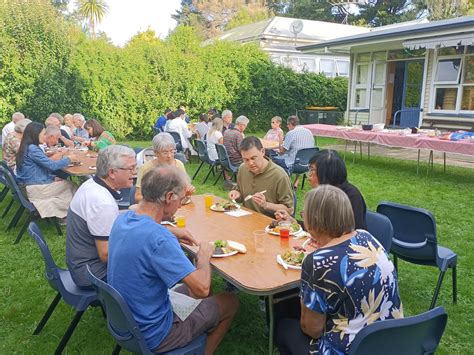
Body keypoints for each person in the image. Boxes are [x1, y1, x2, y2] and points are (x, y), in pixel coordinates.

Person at [108, 165, 239, 353]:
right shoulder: (159, 238)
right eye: (181, 199)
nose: (180, 204)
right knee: (230, 300)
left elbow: (145, 230)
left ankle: (202, 322)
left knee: (188, 289)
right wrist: (203, 257)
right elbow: (202, 289)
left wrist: (172, 230)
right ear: (169, 197)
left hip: (126, 322)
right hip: (156, 335)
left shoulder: (123, 219)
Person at [276, 185, 403, 354]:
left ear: (314, 220)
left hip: (351, 349)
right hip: (391, 340)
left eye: (303, 215)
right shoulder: (367, 236)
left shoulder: (317, 262)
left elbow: (311, 329)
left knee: (284, 327)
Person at [65, 145, 137, 288]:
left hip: (81, 264)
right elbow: (106, 255)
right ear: (112, 172)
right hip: (92, 274)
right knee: (152, 267)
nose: (135, 173)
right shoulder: (102, 202)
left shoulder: (92, 184)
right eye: (131, 168)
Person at [276, 149, 367, 230]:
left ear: (325, 174)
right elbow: (318, 229)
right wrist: (292, 221)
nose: (309, 175)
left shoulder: (350, 197)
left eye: (312, 170)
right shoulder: (322, 193)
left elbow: (350, 234)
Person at [15, 122, 79, 219]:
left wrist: (51, 177)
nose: (45, 136)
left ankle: (64, 214)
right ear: (35, 134)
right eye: (44, 134)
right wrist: (69, 159)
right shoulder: (33, 149)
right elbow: (52, 166)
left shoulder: (26, 146)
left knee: (67, 185)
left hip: (27, 185)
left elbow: (37, 169)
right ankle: (65, 216)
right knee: (72, 186)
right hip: (34, 189)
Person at [229, 136, 293, 218]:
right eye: (246, 160)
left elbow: (289, 210)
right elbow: (241, 194)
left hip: (269, 223)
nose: (250, 163)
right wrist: (237, 194)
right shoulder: (243, 168)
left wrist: (266, 204)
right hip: (246, 219)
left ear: (262, 152)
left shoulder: (279, 175)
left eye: (253, 158)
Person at [134, 132, 195, 203]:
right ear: (156, 153)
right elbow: (138, 196)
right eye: (165, 153)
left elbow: (184, 189)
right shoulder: (146, 168)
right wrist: (161, 201)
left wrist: (187, 193)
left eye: (172, 151)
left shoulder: (178, 165)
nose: (169, 156)